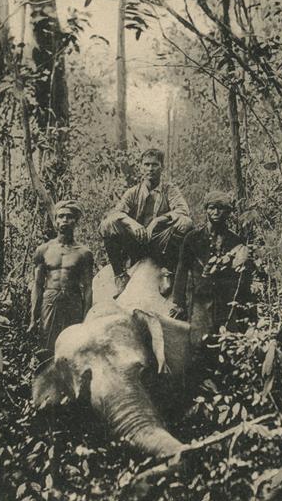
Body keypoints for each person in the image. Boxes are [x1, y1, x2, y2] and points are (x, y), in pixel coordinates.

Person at [100, 148, 193, 295]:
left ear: (162, 167)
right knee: (108, 224)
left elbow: (183, 211)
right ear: (141, 167)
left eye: (154, 165)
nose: (150, 169)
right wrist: (133, 224)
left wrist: (157, 221)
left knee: (185, 222)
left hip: (159, 242)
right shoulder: (133, 192)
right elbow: (116, 213)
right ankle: (120, 276)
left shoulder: (169, 190)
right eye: (146, 164)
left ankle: (167, 271)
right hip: (136, 243)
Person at [169, 190, 252, 348]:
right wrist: (179, 302)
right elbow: (182, 269)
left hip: (225, 300)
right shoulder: (192, 238)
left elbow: (243, 275)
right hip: (200, 298)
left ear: (227, 212)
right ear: (206, 210)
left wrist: (244, 304)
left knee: (229, 344)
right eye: (212, 208)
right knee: (198, 343)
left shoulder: (235, 240)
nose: (216, 212)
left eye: (221, 208)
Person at [28, 200, 94, 354]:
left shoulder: (84, 253)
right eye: (61, 216)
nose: (65, 220)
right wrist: (33, 317)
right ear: (55, 221)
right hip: (50, 301)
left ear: (75, 221)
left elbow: (88, 288)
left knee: (74, 348)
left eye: (69, 216)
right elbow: (37, 285)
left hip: (73, 301)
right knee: (47, 348)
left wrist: (87, 320)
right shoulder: (43, 250)